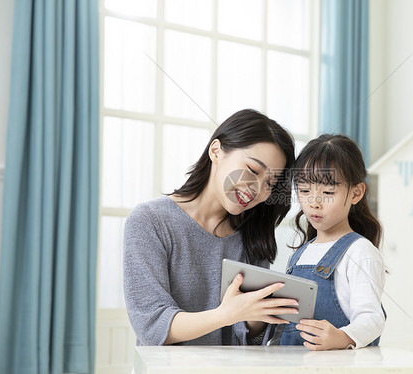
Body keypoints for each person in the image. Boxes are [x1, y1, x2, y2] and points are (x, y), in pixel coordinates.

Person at [123, 109, 299, 347]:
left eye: (270, 183)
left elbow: (253, 340)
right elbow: (153, 325)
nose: (257, 189)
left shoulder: (252, 235)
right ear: (216, 151)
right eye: (253, 170)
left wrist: (258, 313)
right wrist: (227, 313)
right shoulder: (150, 221)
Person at [278, 134, 386, 350]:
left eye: (328, 192)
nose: (314, 203)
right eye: (305, 190)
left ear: (356, 193)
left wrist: (342, 337)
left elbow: (372, 318)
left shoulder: (360, 252)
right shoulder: (300, 254)